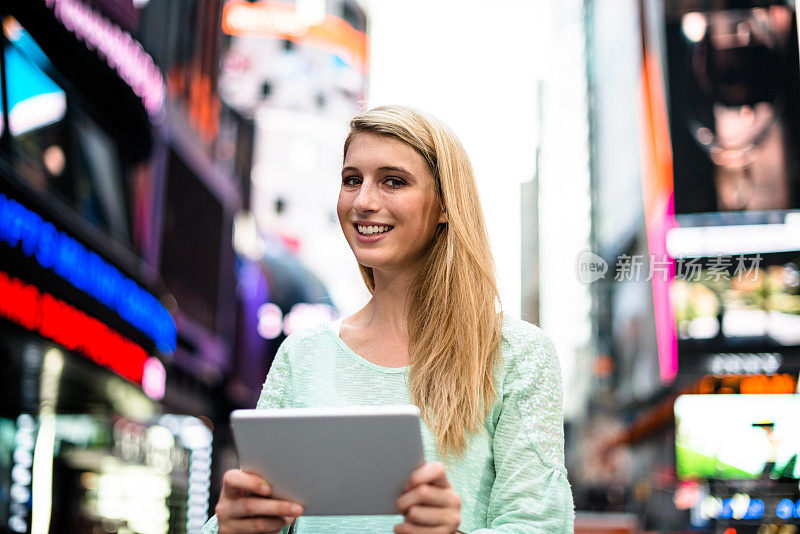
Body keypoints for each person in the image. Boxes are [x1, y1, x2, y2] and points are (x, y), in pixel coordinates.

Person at [203, 105, 574, 533]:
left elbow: (538, 526)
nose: (363, 201)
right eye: (351, 180)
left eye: (393, 181)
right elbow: (258, 514)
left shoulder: (518, 354)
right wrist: (231, 528)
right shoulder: (303, 354)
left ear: (445, 206)